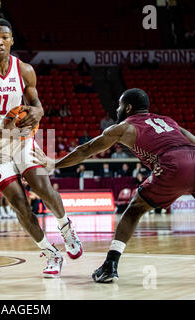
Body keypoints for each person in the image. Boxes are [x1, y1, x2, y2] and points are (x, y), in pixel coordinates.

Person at [0, 18, 82, 278]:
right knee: (18, 203)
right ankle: (50, 252)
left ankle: (66, 228)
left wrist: (37, 112)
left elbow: (37, 105)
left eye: (4, 37)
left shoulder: (24, 70)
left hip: (21, 140)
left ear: (12, 40)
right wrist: (0, 131)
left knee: (44, 188)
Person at [32, 88, 195, 283]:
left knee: (135, 209)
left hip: (172, 164)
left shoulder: (124, 127)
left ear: (128, 107)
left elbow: (86, 150)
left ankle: (110, 264)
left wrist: (54, 163)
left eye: (119, 106)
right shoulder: (168, 121)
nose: (117, 110)